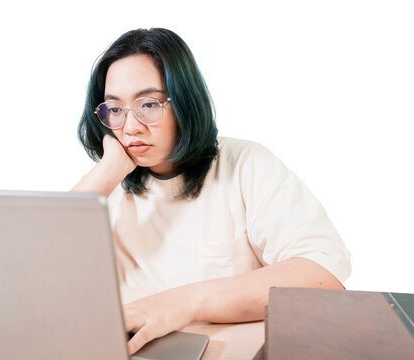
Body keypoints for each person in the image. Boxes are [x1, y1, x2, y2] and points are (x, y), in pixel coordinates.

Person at [72, 28, 351, 355]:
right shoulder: (109, 184)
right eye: (114, 110)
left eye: (148, 104)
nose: (130, 127)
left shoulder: (245, 164)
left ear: (185, 101)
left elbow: (323, 273)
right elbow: (35, 275)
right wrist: (106, 172)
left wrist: (181, 303)